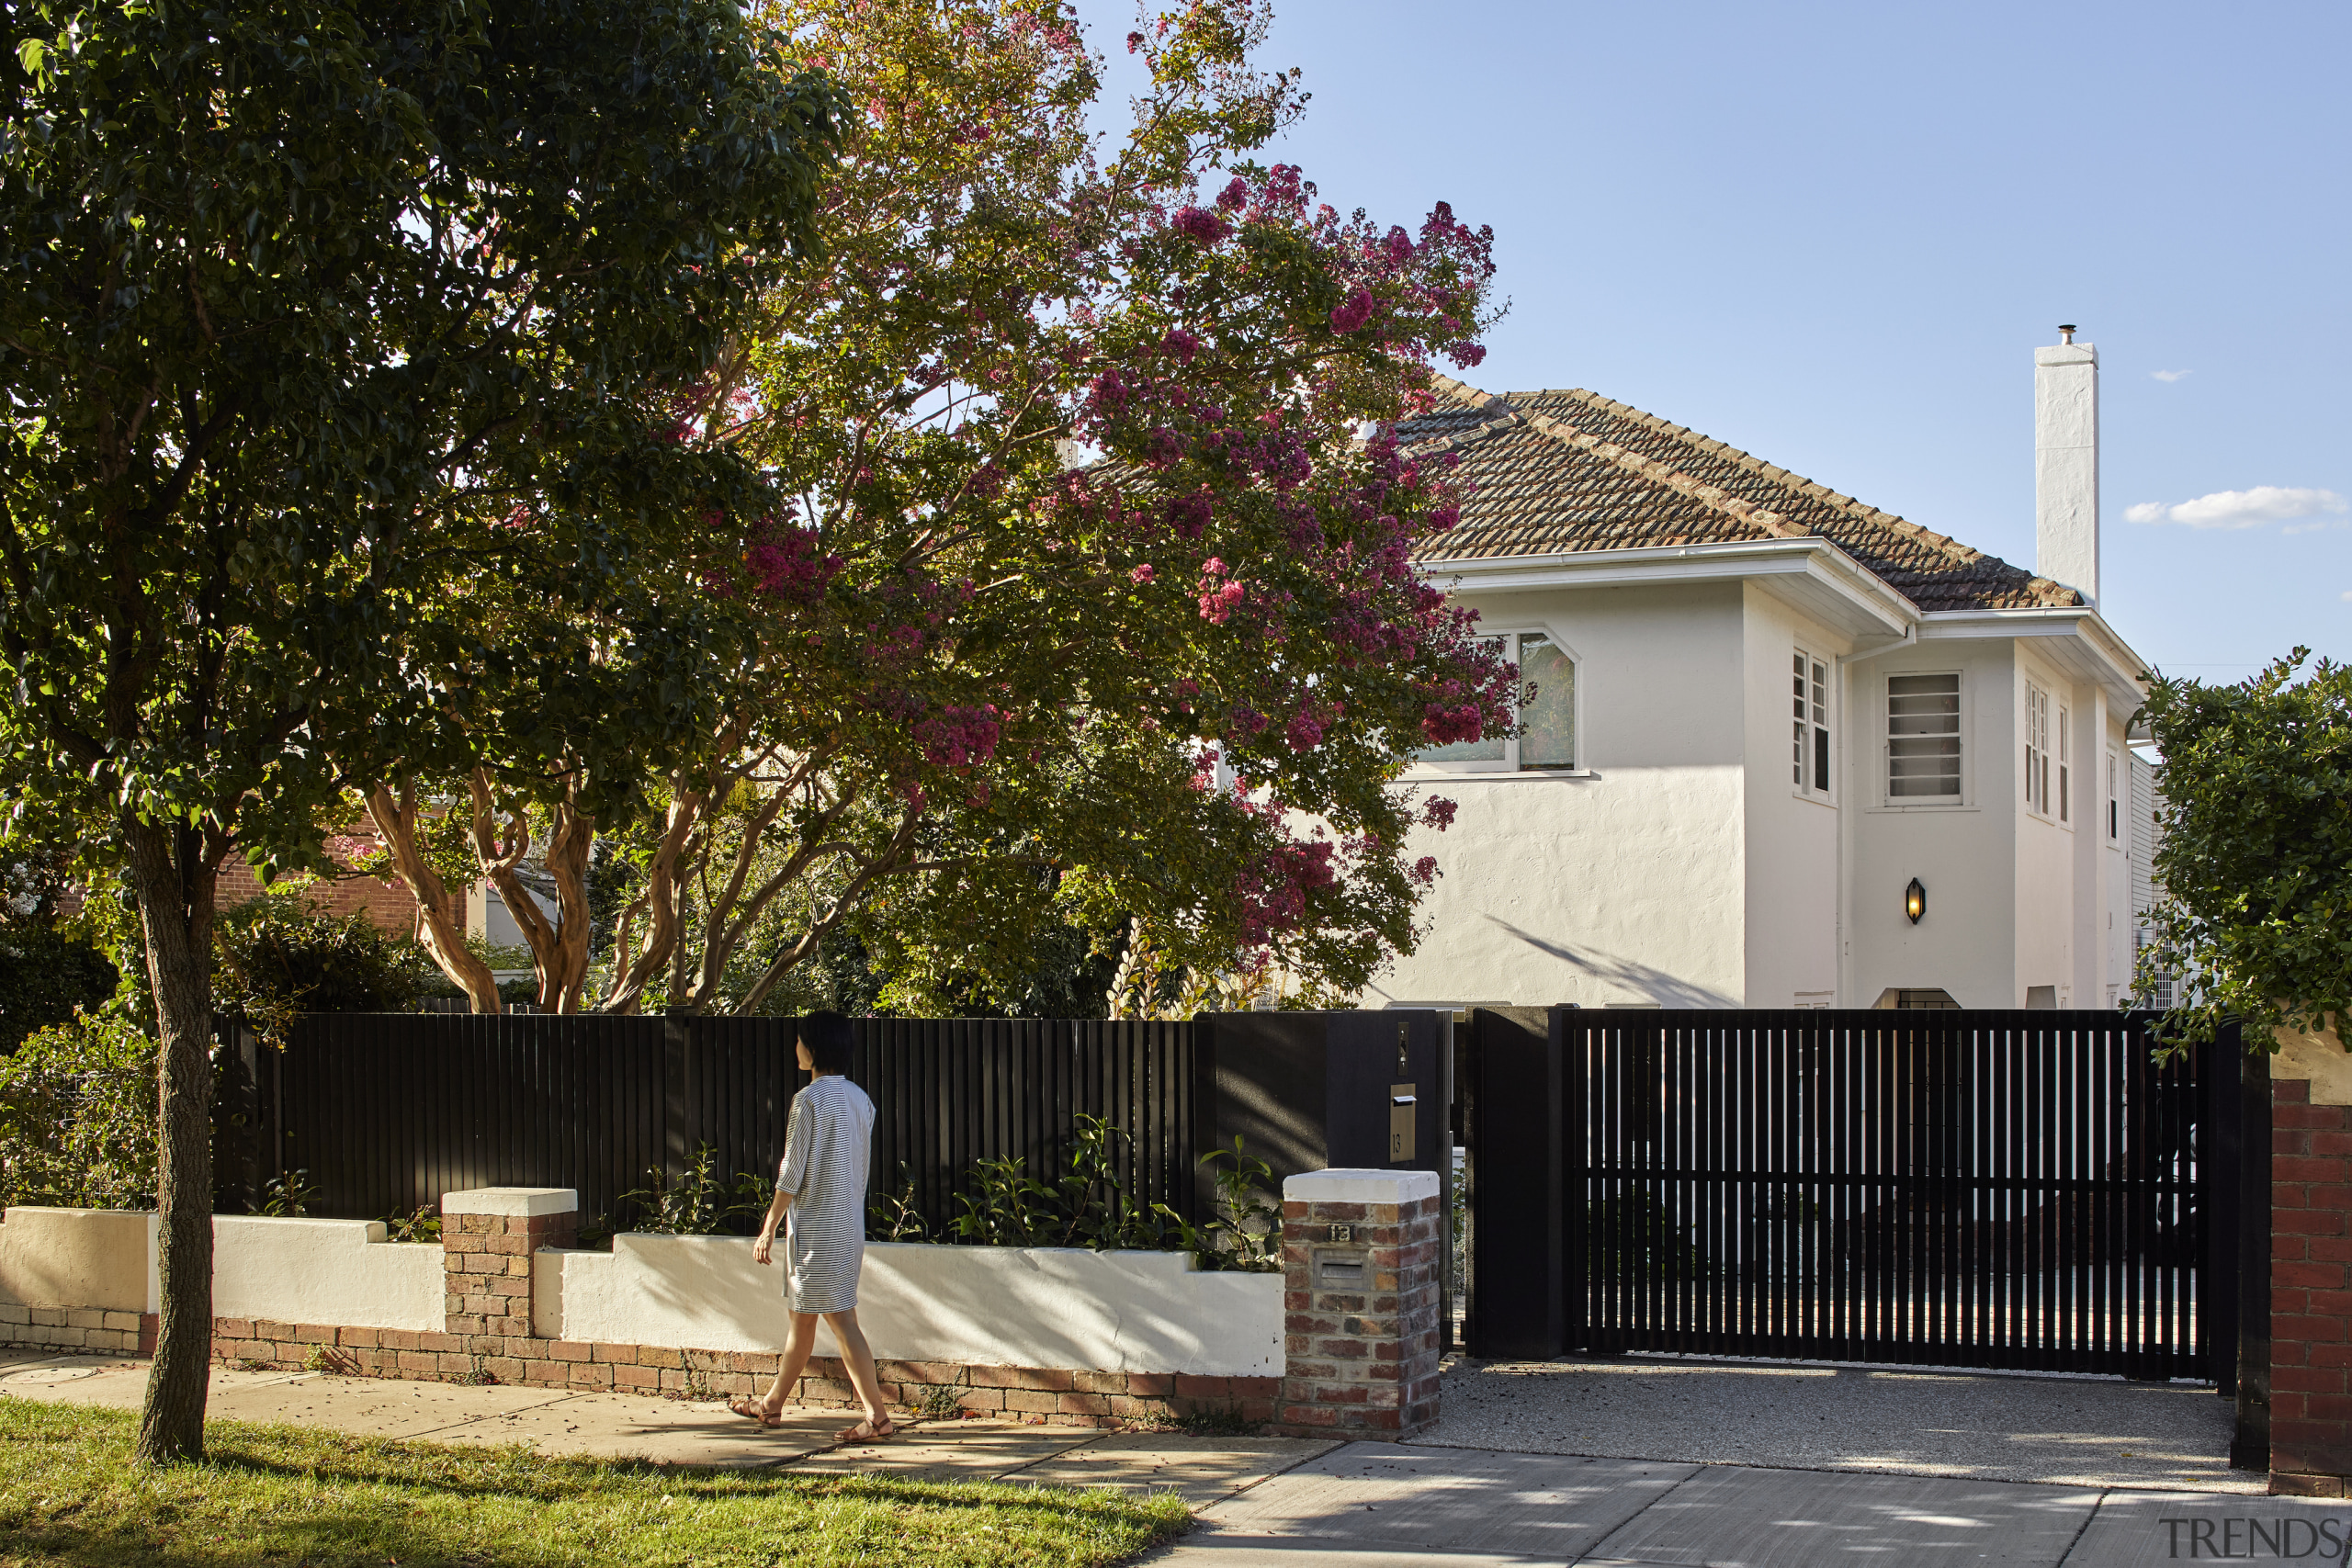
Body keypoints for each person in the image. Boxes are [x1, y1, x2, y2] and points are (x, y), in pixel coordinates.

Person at [730, 1010, 894, 1440]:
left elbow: (792, 1172)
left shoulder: (808, 1102)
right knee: (803, 1321)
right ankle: (771, 1407)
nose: (796, 1047)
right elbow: (858, 1168)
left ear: (814, 1048)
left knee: (841, 1322)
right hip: (847, 1227)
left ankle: (878, 1418)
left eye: (801, 1040)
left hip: (816, 1232)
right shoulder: (862, 1101)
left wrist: (768, 1225)